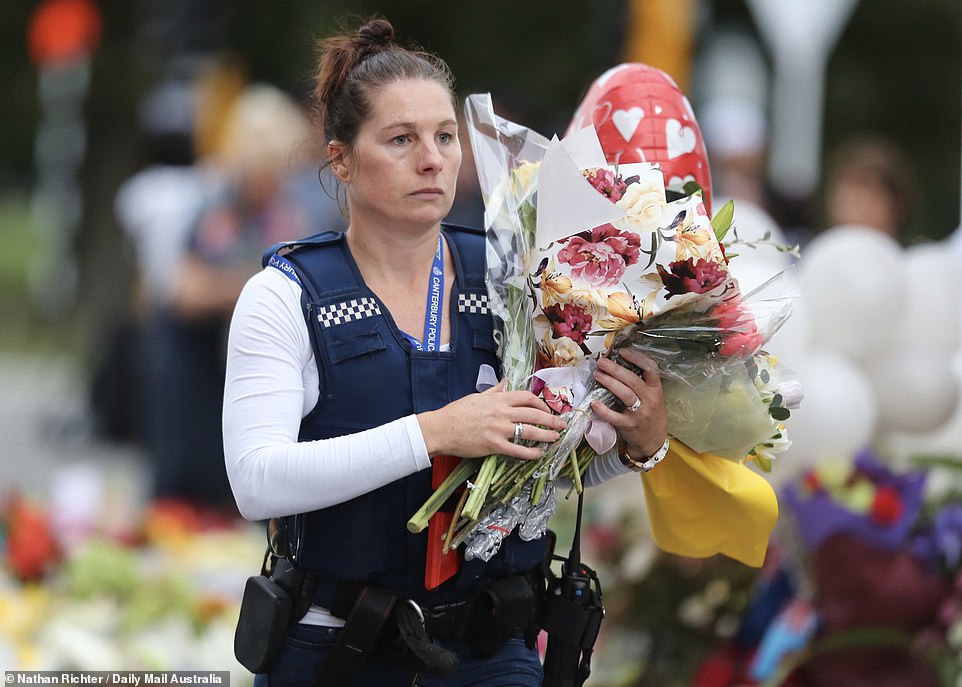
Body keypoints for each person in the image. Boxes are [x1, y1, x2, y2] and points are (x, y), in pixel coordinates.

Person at [222, 17, 669, 687]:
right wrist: (438, 431)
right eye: (401, 139)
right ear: (340, 158)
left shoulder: (517, 276)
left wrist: (637, 446)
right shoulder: (284, 295)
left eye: (444, 136)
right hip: (335, 652)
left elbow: (541, 474)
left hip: (492, 652)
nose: (432, 159)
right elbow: (257, 481)